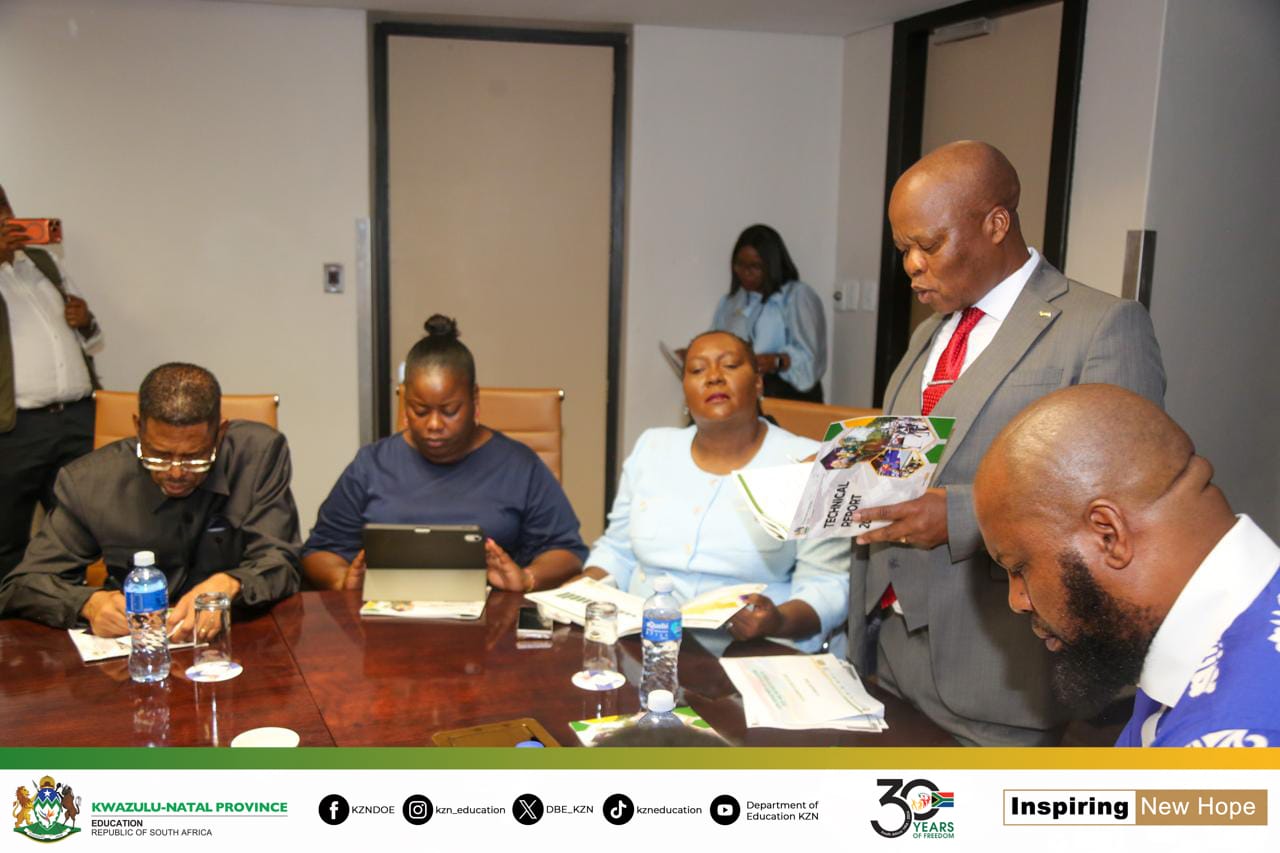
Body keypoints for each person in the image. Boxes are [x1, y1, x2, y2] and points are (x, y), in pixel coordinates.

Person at [844, 141, 1166, 746]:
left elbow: (1117, 499)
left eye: (928, 244)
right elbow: (914, 456)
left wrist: (959, 516)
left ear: (996, 224)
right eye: (902, 249)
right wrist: (845, 471)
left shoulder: (1099, 327)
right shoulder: (928, 334)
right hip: (890, 651)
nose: (912, 265)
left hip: (997, 669)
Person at [974, 385, 1280, 747]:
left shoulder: (1230, 740)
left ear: (1108, 535)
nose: (1018, 601)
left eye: (1019, 567)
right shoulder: (1189, 638)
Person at [582, 330, 849, 653]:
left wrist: (778, 620)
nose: (713, 378)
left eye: (730, 365)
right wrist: (578, 590)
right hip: (646, 645)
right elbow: (617, 550)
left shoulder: (808, 461)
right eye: (697, 370)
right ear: (685, 391)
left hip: (760, 651)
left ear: (758, 382)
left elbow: (827, 582)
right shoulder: (651, 448)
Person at [0, 363, 302, 641]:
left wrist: (231, 583)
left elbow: (281, 561)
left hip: (237, 636)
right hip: (136, 643)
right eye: (158, 455)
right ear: (138, 428)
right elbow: (23, 585)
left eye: (195, 457)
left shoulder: (258, 456)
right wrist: (88, 604)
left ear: (220, 434)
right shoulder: (89, 481)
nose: (176, 472)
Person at [304, 315, 586, 593]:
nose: (434, 424)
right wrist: (341, 580)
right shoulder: (371, 465)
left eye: (450, 411)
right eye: (420, 410)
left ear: (474, 399)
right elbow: (321, 549)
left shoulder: (519, 465)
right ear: (405, 402)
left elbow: (566, 550)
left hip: (493, 617)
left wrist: (527, 578)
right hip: (388, 616)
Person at [0, 184, 102, 576]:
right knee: (7, 535)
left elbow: (91, 337)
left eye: (4, 206)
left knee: (83, 527)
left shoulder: (41, 262)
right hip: (15, 429)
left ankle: (73, 604)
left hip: (76, 417)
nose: (4, 217)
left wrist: (85, 320)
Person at [708, 224, 826, 402]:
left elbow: (811, 362)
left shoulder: (796, 296)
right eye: (740, 265)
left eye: (755, 266)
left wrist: (776, 361)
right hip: (742, 398)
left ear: (772, 265)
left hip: (786, 397)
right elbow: (715, 343)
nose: (746, 273)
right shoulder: (731, 302)